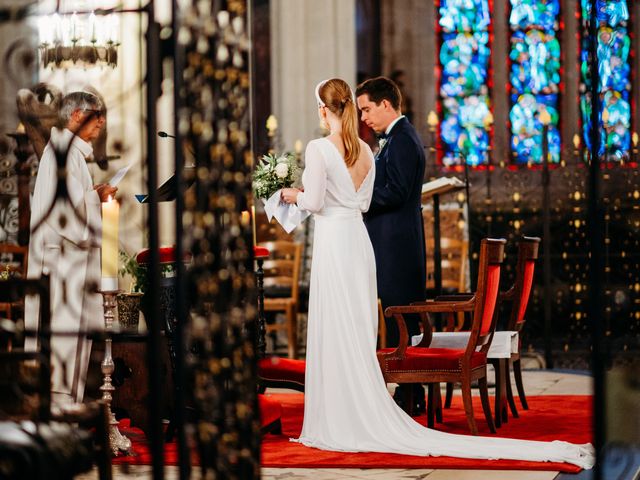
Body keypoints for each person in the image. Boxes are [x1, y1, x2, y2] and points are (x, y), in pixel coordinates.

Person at [279, 78, 593, 469]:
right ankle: (359, 404)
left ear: (324, 110)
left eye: (368, 108)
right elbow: (361, 200)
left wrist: (288, 195)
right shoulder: (364, 148)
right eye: (358, 109)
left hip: (341, 242)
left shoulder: (325, 148)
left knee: (338, 325)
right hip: (358, 242)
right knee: (353, 327)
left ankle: (341, 412)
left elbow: (314, 201)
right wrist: (338, 198)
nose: (364, 116)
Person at [24, 91, 117, 407]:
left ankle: (70, 409)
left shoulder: (72, 154)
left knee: (76, 346)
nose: (102, 122)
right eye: (97, 114)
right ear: (77, 115)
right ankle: (61, 413)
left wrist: (93, 193)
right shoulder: (61, 153)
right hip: (63, 266)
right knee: (63, 349)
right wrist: (95, 196)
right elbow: (63, 215)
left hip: (74, 264)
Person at [356, 76, 426, 413]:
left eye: (367, 109)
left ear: (386, 104)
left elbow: (397, 192)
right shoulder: (397, 138)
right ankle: (410, 392)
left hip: (398, 247)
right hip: (396, 243)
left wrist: (359, 199)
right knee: (399, 317)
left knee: (402, 318)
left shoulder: (401, 140)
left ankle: (411, 394)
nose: (364, 118)